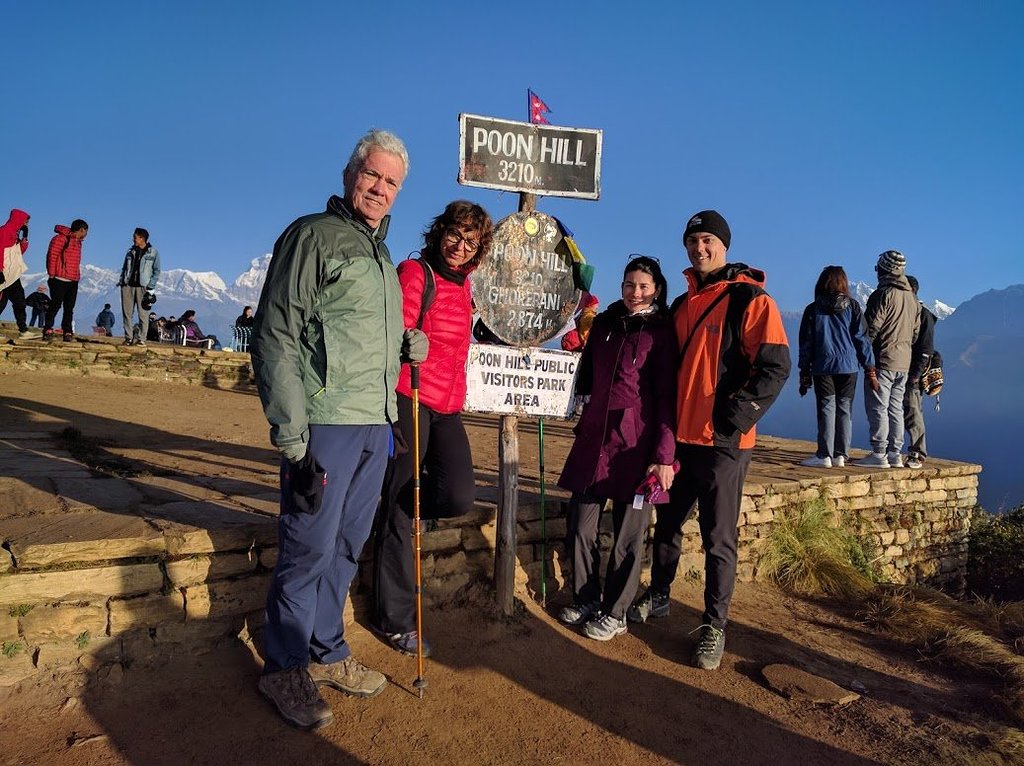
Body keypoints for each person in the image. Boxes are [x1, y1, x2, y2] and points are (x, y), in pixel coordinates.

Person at [251, 129, 426, 731]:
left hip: (376, 423)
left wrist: (405, 345)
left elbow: (350, 332)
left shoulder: (379, 252)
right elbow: (276, 335)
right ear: (352, 173)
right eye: (372, 175)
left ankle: (327, 651)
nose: (380, 189)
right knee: (308, 546)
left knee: (349, 545)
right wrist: (293, 438)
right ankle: (284, 666)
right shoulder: (312, 236)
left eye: (392, 183)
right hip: (327, 424)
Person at [628, 210, 790, 671]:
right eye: (692, 241)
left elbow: (775, 367)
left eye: (707, 240)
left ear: (724, 244)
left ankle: (714, 626)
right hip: (679, 441)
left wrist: (732, 420)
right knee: (668, 525)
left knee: (719, 539)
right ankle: (659, 596)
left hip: (723, 444)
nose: (700, 249)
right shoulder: (682, 305)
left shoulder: (752, 302)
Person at [371, 200, 493, 656]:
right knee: (402, 513)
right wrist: (406, 343)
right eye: (455, 235)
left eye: (470, 241)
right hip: (410, 397)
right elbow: (391, 330)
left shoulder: (467, 290)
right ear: (439, 231)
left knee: (458, 493)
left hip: (447, 405)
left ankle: (393, 516)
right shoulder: (414, 274)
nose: (459, 246)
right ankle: (396, 619)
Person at [556, 255, 678, 641]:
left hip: (635, 447)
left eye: (643, 286)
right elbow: (587, 374)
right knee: (580, 524)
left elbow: (666, 397)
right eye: (629, 285)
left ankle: (617, 611)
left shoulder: (661, 333)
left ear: (656, 289)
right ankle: (587, 596)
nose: (635, 293)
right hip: (595, 440)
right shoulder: (606, 324)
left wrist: (663, 456)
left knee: (628, 535)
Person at [797, 266, 876, 468]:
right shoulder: (853, 307)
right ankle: (841, 455)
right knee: (845, 410)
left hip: (823, 366)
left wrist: (803, 370)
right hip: (849, 366)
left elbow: (806, 343)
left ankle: (824, 455)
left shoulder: (813, 309)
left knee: (826, 409)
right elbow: (861, 339)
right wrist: (869, 367)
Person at [854, 251, 920, 468]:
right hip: (904, 361)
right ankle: (895, 453)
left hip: (882, 359)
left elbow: (871, 328)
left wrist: (865, 355)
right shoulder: (912, 298)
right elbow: (915, 332)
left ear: (885, 269)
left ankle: (879, 453)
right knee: (895, 408)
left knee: (878, 406)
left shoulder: (883, 294)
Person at [903, 275, 936, 469]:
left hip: (912, 372)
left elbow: (925, 348)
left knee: (913, 411)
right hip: (899, 368)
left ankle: (917, 451)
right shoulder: (905, 313)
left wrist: (916, 373)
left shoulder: (923, 315)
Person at [43, 218, 88, 342]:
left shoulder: (78, 242)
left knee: (69, 307)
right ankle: (48, 328)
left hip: (72, 280)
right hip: (58, 278)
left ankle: (67, 331)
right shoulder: (60, 239)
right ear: (82, 229)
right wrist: (52, 274)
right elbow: (52, 255)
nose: (86, 235)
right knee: (55, 304)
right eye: (85, 231)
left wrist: (76, 277)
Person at [0, 209, 40, 339]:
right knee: (1, 303)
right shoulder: (4, 231)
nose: (27, 225)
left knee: (20, 302)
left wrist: (25, 238)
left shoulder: (15, 234)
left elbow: (18, 253)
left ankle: (23, 330)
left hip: (12, 275)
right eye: (26, 222)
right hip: (3, 274)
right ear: (19, 220)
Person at [117, 227, 161, 346]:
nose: (133, 239)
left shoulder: (153, 253)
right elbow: (124, 268)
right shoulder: (130, 251)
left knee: (143, 314)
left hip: (143, 287)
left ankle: (141, 338)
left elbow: (157, 270)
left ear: (142, 238)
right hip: (128, 286)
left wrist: (151, 286)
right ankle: (128, 337)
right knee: (127, 313)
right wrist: (122, 281)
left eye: (135, 237)